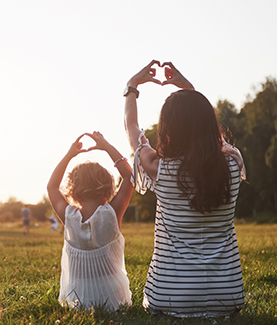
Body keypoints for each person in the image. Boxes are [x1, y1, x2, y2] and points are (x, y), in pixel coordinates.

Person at [123, 60, 246, 318]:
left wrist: (132, 87)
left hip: (169, 299)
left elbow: (131, 129)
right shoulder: (233, 163)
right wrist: (188, 89)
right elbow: (216, 139)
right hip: (227, 297)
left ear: (168, 129)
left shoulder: (160, 168)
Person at [47, 131, 133, 311]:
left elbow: (52, 186)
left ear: (73, 191)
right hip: (114, 300)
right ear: (108, 188)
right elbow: (129, 177)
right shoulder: (112, 213)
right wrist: (107, 146)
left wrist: (69, 155)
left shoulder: (68, 216)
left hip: (78, 300)